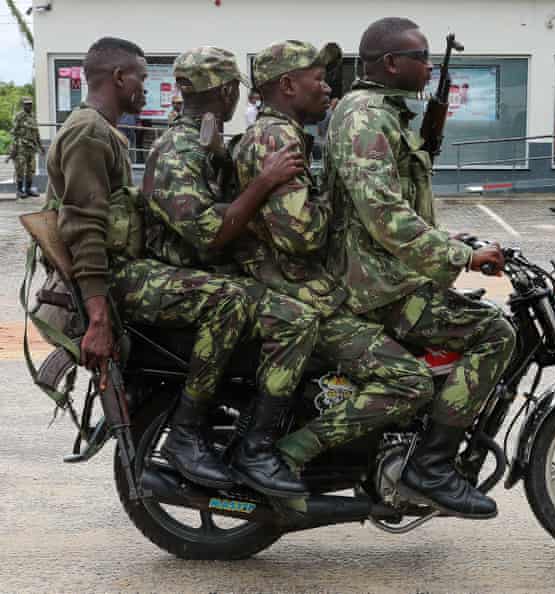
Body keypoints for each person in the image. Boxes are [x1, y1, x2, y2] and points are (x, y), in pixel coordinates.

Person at [47, 37, 259, 490]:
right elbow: (85, 230)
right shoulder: (89, 132)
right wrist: (99, 318)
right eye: (143, 77)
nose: (149, 87)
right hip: (116, 278)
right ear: (120, 77)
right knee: (230, 301)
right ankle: (186, 430)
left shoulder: (107, 131)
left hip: (123, 270)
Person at [325, 17, 516, 519]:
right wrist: (463, 257)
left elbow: (394, 208)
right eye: (420, 57)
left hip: (386, 273)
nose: (429, 67)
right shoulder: (365, 118)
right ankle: (431, 467)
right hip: (377, 287)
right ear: (391, 62)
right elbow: (383, 215)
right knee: (495, 332)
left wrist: (448, 240)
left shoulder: (383, 114)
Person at [231, 40, 436, 492]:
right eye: (318, 78)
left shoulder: (288, 134)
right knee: (409, 380)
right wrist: (339, 201)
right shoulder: (275, 137)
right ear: (287, 85)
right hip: (295, 293)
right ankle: (283, 452)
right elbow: (299, 234)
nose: (327, 87)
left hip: (302, 289)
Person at [143, 46, 319, 497]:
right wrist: (265, 183)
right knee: (290, 318)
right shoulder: (177, 149)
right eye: (235, 89)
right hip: (173, 274)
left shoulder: (206, 140)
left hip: (202, 271)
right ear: (225, 91)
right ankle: (224, 440)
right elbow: (209, 234)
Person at [10, 97, 44, 198]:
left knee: (31, 169)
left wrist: (41, 146)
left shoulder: (33, 116)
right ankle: (20, 190)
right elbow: (14, 133)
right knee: (20, 169)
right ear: (23, 105)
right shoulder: (19, 117)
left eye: (30, 104)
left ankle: (28, 189)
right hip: (21, 147)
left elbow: (36, 133)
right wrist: (14, 148)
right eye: (26, 104)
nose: (29, 106)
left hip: (31, 147)